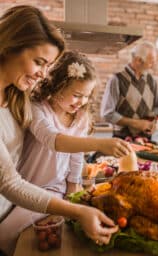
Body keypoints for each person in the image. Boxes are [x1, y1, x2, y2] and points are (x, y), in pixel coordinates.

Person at [0, 6, 120, 255]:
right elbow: (9, 181)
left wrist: (73, 195)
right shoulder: (32, 104)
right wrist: (77, 210)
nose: (43, 74)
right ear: (8, 46)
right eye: (39, 62)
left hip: (14, 203)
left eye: (48, 65)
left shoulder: (15, 95)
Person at [101, 41, 158, 140]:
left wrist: (152, 123)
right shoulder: (117, 80)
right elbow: (107, 114)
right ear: (138, 60)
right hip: (122, 142)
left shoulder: (152, 81)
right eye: (151, 62)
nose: (153, 66)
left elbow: (157, 107)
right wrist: (136, 123)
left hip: (146, 141)